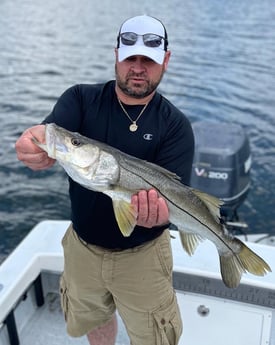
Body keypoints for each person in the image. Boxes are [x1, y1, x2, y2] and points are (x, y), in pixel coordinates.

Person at [15, 15, 194, 345]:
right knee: (95, 321)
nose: (137, 68)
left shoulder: (175, 127)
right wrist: (33, 141)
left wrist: (162, 215)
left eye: (149, 60)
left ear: (165, 60)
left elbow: (176, 195)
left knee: (155, 337)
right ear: (116, 54)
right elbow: (49, 133)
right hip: (82, 250)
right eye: (130, 57)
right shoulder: (80, 99)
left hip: (144, 256)